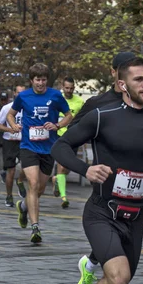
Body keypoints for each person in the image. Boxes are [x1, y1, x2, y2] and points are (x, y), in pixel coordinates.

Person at [51, 57, 143, 284]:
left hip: (136, 216)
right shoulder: (102, 115)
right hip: (102, 212)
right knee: (118, 278)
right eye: (139, 79)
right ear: (122, 83)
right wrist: (86, 169)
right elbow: (60, 146)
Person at [7, 63, 72, 243]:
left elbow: (68, 115)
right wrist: (13, 125)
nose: (41, 83)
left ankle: (24, 207)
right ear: (31, 80)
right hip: (28, 146)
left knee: (40, 189)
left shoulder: (55, 95)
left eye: (44, 80)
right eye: (38, 80)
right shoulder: (23, 96)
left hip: (48, 148)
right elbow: (10, 114)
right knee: (33, 184)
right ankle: (35, 228)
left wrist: (57, 125)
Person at [52, 77, 85, 208]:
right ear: (62, 87)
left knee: (68, 167)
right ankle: (64, 197)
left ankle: (56, 180)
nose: (69, 90)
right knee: (61, 166)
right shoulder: (56, 99)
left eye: (71, 88)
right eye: (66, 88)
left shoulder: (79, 102)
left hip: (73, 137)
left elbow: (82, 119)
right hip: (59, 136)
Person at [0, 85, 28, 206]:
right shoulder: (7, 108)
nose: (20, 95)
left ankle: (20, 181)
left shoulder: (28, 107)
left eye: (23, 93)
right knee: (11, 170)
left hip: (24, 141)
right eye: (18, 93)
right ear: (14, 93)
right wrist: (9, 129)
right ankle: (9, 195)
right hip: (9, 142)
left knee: (28, 166)